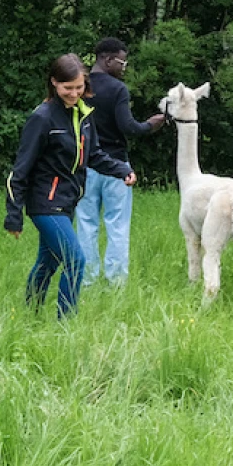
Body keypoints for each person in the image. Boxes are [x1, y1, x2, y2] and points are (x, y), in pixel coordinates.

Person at [6, 54, 136, 317]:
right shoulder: (42, 118)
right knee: (75, 260)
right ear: (54, 82)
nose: (74, 93)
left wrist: (121, 170)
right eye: (68, 88)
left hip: (67, 201)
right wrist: (13, 216)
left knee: (49, 261)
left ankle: (29, 314)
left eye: (79, 87)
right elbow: (19, 171)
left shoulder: (83, 114)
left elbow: (94, 155)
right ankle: (66, 322)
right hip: (45, 203)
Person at [75, 37, 166, 286]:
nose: (124, 68)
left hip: (85, 165)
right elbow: (128, 127)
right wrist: (150, 125)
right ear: (107, 59)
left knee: (86, 223)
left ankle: (87, 279)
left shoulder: (79, 86)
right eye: (122, 62)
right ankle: (115, 282)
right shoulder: (117, 89)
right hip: (116, 167)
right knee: (117, 224)